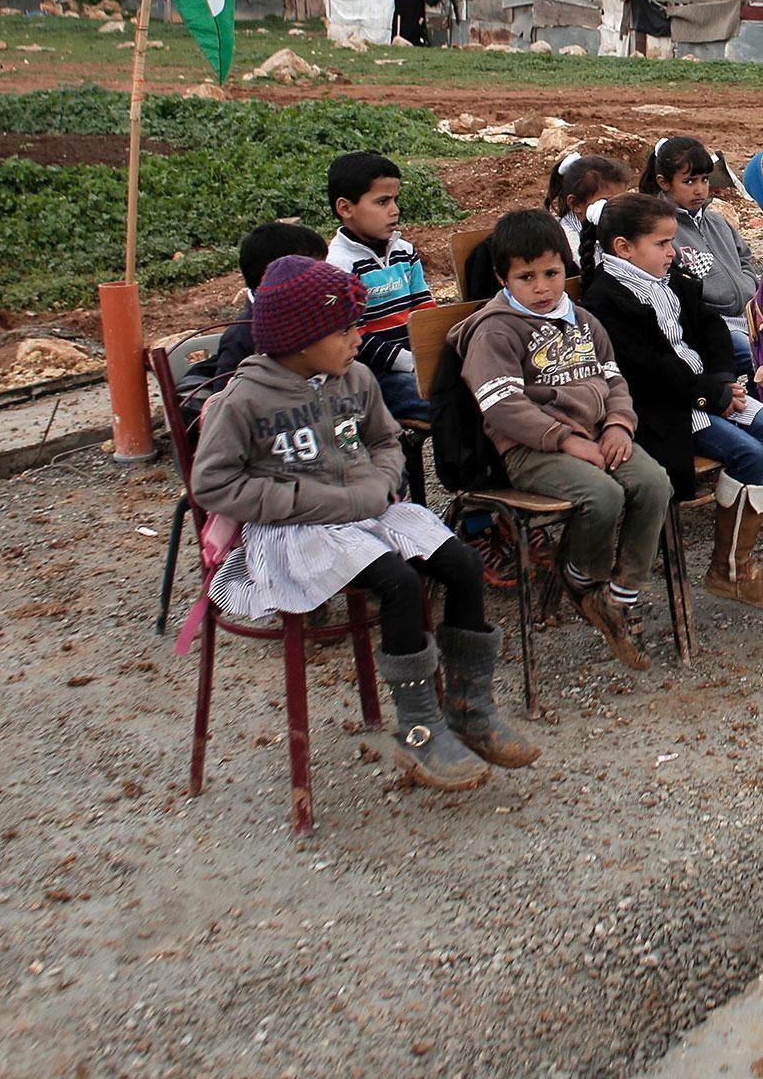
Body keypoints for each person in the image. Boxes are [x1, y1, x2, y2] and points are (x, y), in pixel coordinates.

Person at [189, 255, 538, 790]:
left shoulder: (355, 379)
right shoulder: (246, 399)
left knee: (463, 566)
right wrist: (309, 499)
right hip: (293, 530)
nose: (360, 338)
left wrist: (378, 483)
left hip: (370, 510)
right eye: (346, 328)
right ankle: (419, 731)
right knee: (398, 584)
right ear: (301, 337)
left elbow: (384, 440)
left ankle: (471, 709)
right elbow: (213, 485)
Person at [584, 192, 763, 608]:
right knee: (750, 455)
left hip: (706, 392)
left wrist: (720, 381)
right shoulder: (606, 301)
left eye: (671, 240)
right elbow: (648, 370)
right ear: (623, 248)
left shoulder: (668, 278)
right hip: (664, 410)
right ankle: (731, 570)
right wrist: (711, 394)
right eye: (661, 243)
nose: (672, 251)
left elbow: (711, 329)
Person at [448, 210, 672, 670]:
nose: (542, 287)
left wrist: (616, 426)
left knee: (654, 483)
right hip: (533, 450)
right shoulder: (495, 330)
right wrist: (567, 440)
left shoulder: (583, 320)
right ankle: (583, 580)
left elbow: (614, 381)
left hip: (597, 436)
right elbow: (502, 406)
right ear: (501, 278)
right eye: (525, 277)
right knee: (603, 495)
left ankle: (623, 593)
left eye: (551, 273)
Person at [324, 150, 434, 422]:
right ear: (345, 208)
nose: (394, 210)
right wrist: (412, 364)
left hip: (417, 363)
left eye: (395, 200)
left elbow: (424, 309)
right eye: (382, 201)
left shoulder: (404, 252)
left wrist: (434, 352)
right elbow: (355, 337)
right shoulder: (339, 267)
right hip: (376, 375)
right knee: (444, 405)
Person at [180, 220, 327, 417]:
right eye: (316, 276)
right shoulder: (243, 336)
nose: (325, 283)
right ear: (275, 280)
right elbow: (226, 409)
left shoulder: (313, 317)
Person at [653, 135, 760, 373]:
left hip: (747, 316)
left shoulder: (716, 221)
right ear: (664, 182)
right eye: (689, 181)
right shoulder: (660, 229)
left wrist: (748, 285)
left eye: (704, 180)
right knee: (758, 357)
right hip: (708, 325)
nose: (700, 189)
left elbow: (744, 258)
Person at [545, 151, 632, 281]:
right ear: (575, 204)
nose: (617, 208)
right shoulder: (564, 249)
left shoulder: (621, 228)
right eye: (607, 201)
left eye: (622, 200)